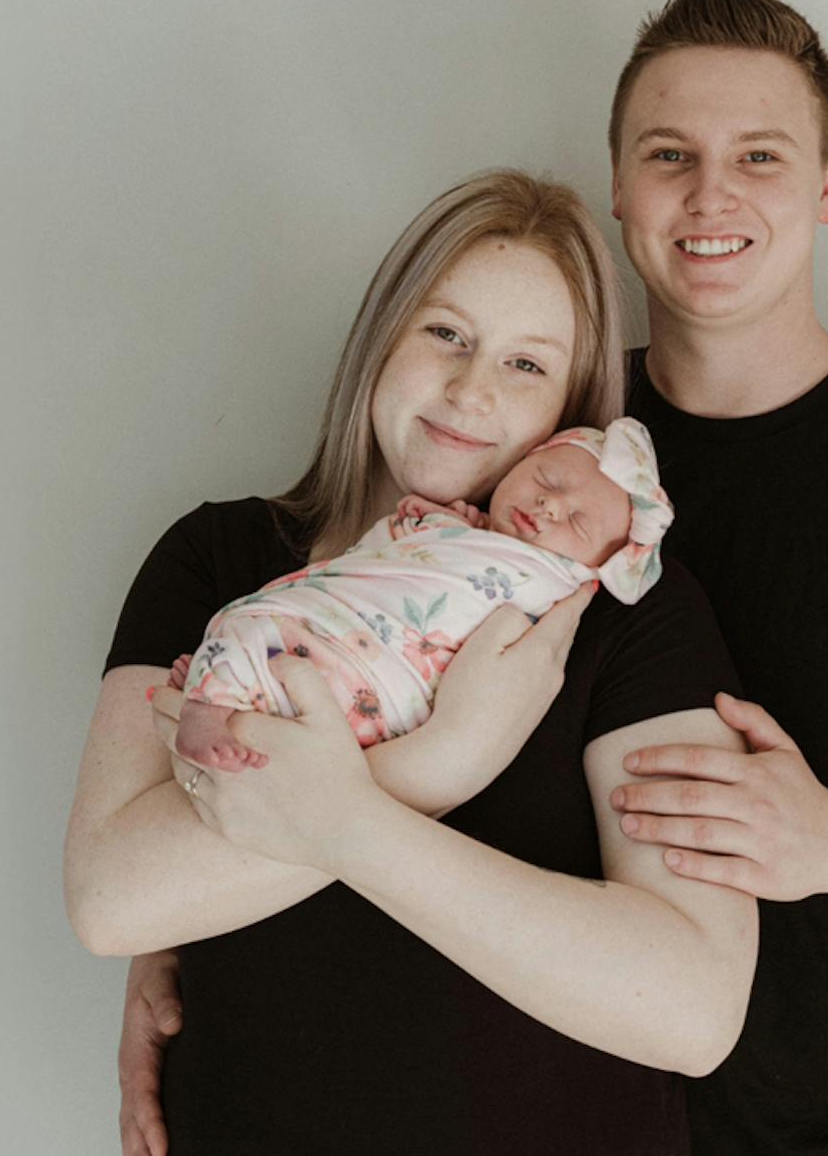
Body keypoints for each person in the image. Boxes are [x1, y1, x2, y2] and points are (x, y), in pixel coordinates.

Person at [118, 0, 828, 1156]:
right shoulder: (519, 449)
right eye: (669, 153)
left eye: (761, 154)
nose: (712, 194)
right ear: (618, 186)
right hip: (552, 1112)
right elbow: (355, 655)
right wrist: (178, 940)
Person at [66, 169, 757, 1154]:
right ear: (381, 335)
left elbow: (691, 1009)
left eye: (527, 365)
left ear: (570, 413)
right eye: (446, 333)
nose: (473, 388)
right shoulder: (217, 561)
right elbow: (111, 901)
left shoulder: (628, 616)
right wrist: (433, 769)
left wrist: (349, 825)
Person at [174, 416, 672, 769]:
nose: (548, 505)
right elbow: (374, 560)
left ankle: (223, 689)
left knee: (317, 700)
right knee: (256, 633)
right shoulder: (448, 523)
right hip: (334, 622)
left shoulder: (558, 589)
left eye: (577, 523)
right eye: (547, 479)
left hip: (390, 685)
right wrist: (431, 524)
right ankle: (209, 700)